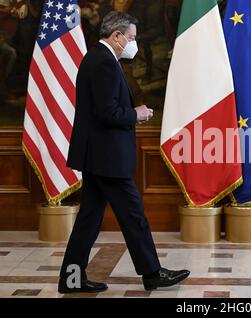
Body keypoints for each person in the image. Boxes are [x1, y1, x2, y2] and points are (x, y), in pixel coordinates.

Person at [58, 11, 190, 294]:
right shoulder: (104, 62)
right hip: (107, 157)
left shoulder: (99, 58)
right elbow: (108, 112)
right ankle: (153, 273)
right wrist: (136, 114)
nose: (133, 43)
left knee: (89, 220)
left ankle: (70, 279)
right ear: (116, 35)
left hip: (98, 155)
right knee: (134, 216)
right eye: (130, 38)